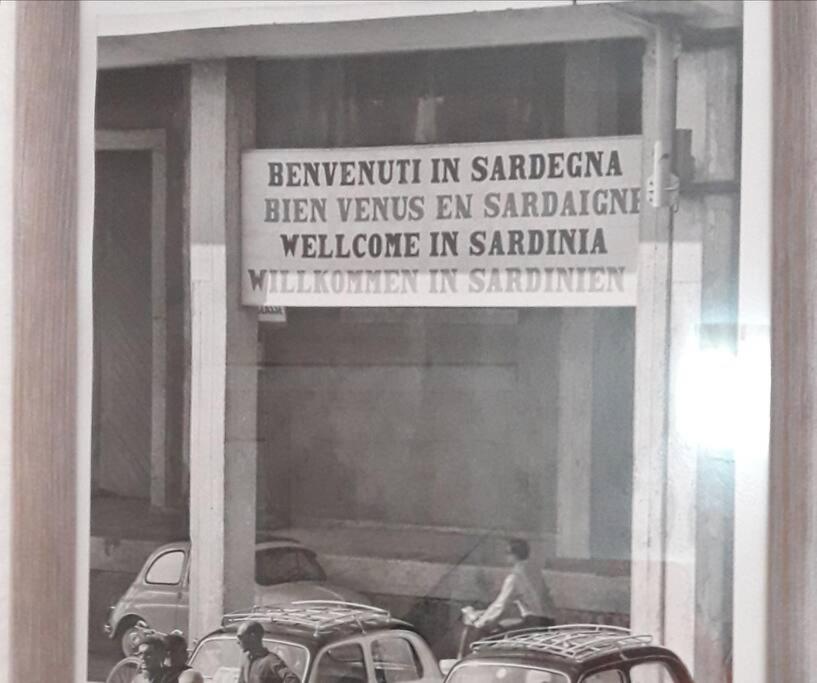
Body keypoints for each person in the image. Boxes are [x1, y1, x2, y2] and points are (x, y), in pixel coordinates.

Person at [458, 538, 556, 656]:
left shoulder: (515, 577)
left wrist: (480, 622)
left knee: (486, 641)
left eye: (507, 553)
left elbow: (500, 606)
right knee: (504, 626)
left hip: (533, 624)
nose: (505, 556)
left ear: (513, 555)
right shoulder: (534, 571)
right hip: (548, 623)